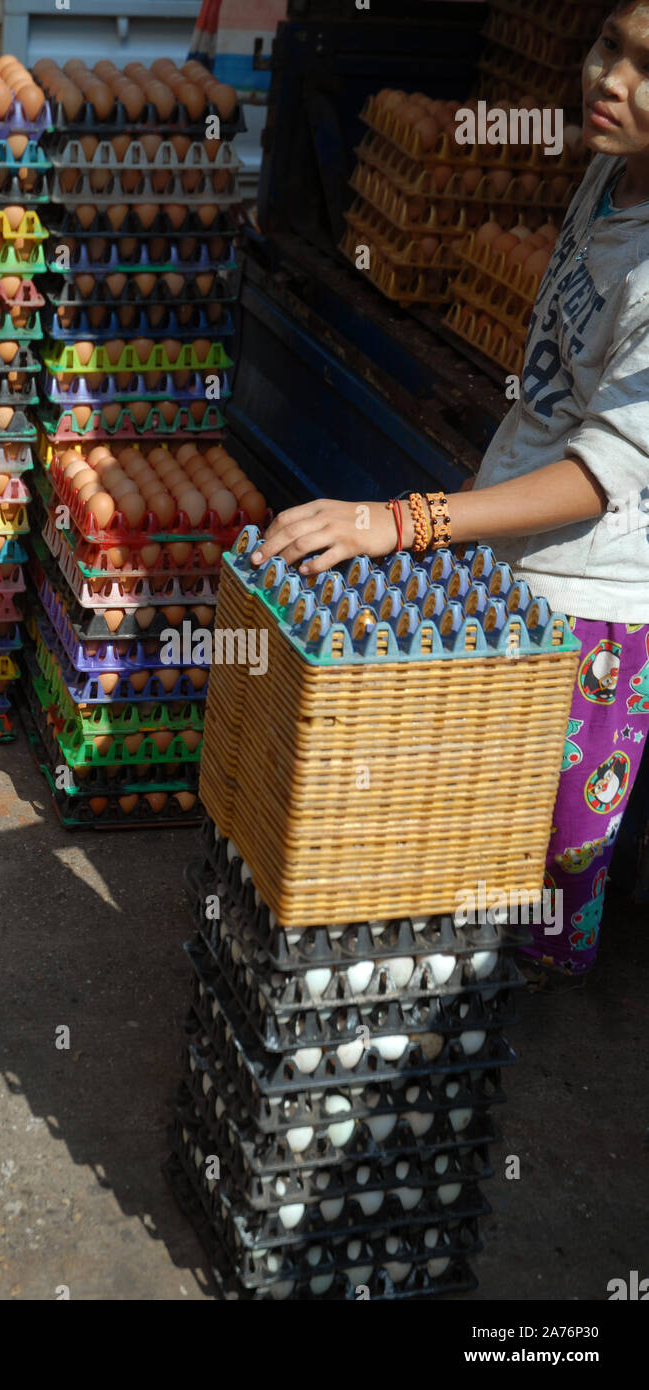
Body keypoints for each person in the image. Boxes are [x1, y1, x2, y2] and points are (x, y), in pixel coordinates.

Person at [250, 0, 649, 983]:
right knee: (469, 835)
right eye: (609, 46)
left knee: (545, 869)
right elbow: (554, 390)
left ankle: (501, 1072)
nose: (611, 81)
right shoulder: (608, 178)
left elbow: (601, 475)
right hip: (517, 557)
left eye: (647, 68)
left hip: (595, 602)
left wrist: (404, 521)